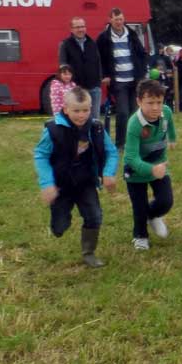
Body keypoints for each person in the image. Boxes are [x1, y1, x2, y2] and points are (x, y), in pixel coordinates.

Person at [32, 85, 118, 267]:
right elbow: (41, 155)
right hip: (61, 184)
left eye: (86, 110)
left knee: (94, 216)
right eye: (76, 111)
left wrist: (108, 173)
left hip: (85, 181)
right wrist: (47, 184)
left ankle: (89, 253)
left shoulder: (96, 128)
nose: (82, 115)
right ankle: (60, 219)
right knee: (60, 226)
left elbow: (111, 152)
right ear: (66, 109)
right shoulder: (53, 130)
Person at [122, 79, 177, 251]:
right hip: (136, 171)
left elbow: (170, 124)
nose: (155, 107)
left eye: (159, 102)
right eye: (150, 103)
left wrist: (172, 138)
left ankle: (153, 216)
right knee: (139, 206)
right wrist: (151, 169)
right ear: (139, 101)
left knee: (166, 201)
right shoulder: (134, 124)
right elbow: (130, 157)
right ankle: (140, 236)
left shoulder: (166, 112)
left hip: (159, 164)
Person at [96, 8, 148, 150]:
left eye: (121, 19)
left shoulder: (131, 34)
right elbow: (98, 59)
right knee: (123, 113)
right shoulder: (103, 38)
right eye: (116, 19)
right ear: (110, 20)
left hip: (134, 80)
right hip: (118, 82)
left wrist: (142, 73)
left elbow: (142, 54)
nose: (119, 22)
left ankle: (134, 141)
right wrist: (104, 75)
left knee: (134, 112)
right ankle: (120, 143)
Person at [58, 16, 104, 120]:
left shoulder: (92, 43)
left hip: (94, 88)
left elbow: (98, 62)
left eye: (83, 26)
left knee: (94, 119)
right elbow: (63, 66)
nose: (81, 29)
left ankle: (93, 137)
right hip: (76, 89)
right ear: (71, 29)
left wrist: (99, 81)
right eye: (77, 27)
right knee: (78, 119)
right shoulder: (65, 44)